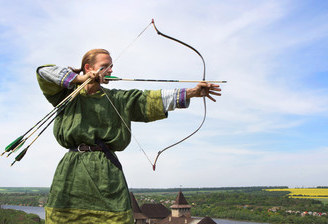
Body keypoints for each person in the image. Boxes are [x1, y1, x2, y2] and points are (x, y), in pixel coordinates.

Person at [36, 49, 221, 224]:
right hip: (71, 171)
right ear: (88, 67)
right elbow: (44, 71)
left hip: (106, 172)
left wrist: (193, 92)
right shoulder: (67, 95)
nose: (110, 70)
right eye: (105, 65)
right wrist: (79, 78)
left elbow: (150, 98)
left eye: (111, 66)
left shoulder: (119, 99)